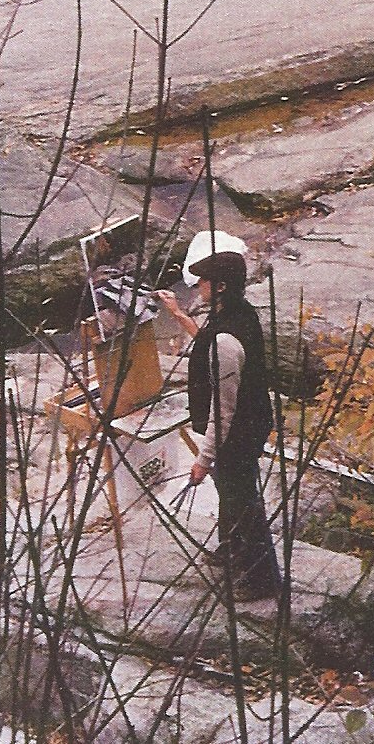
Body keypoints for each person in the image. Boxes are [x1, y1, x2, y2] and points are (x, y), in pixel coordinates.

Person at [158, 229, 282, 601]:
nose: (199, 289)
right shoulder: (237, 314)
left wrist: (204, 458)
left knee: (242, 499)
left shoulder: (227, 340)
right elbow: (210, 344)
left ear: (221, 286)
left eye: (205, 283)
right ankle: (232, 549)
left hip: (238, 433)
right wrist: (179, 316)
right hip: (251, 423)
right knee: (233, 495)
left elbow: (223, 412)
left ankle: (261, 580)